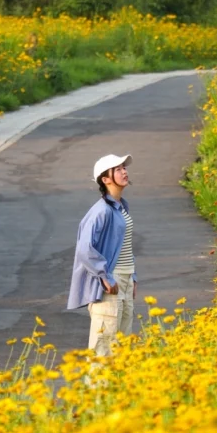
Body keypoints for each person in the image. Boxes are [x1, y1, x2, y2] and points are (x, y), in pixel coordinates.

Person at [67, 153, 136, 357]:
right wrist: (104, 276)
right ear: (105, 180)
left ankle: (117, 389)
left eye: (124, 167)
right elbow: (84, 248)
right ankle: (97, 389)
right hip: (110, 285)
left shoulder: (121, 207)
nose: (124, 171)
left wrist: (133, 275)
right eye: (118, 169)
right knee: (103, 349)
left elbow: (124, 245)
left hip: (125, 279)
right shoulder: (101, 211)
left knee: (123, 348)